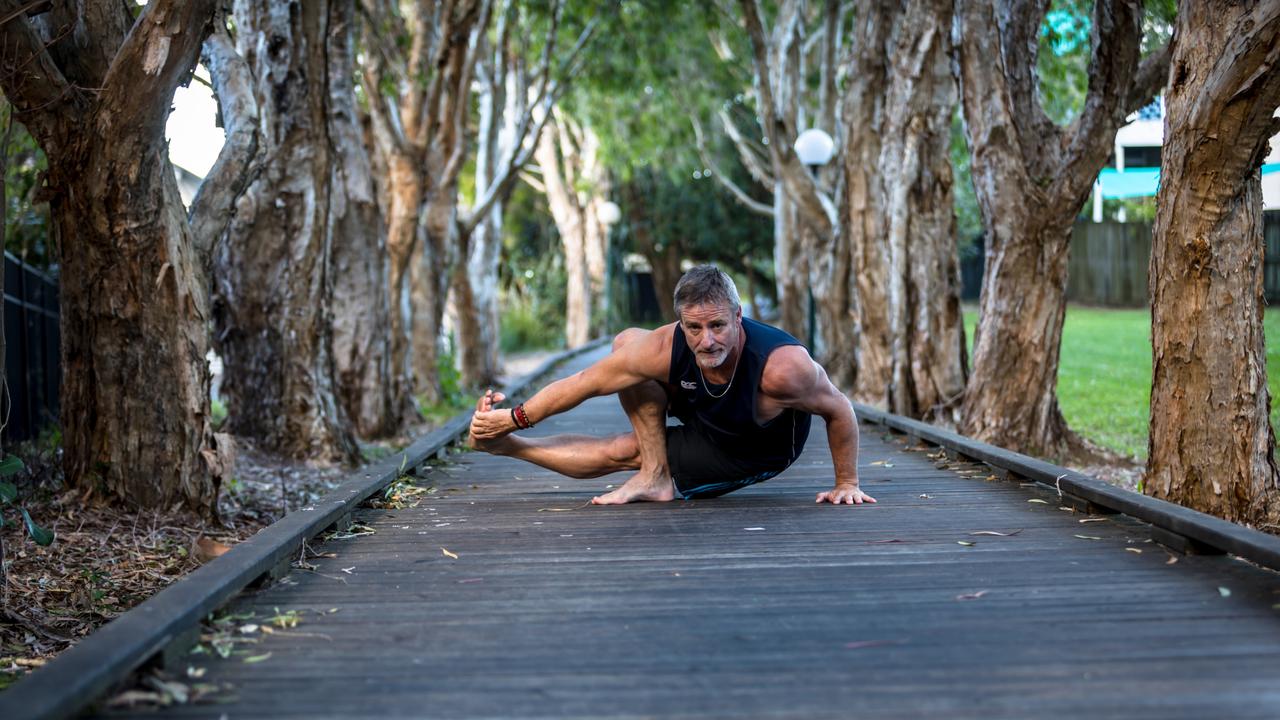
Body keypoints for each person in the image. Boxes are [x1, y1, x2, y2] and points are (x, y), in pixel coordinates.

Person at [468, 264, 876, 506]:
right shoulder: (669, 345)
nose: (707, 340)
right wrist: (515, 417)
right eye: (694, 328)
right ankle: (654, 472)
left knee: (620, 451)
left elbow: (839, 410)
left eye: (717, 326)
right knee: (628, 345)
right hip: (704, 410)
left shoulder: (782, 368)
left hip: (748, 449)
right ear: (681, 321)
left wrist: (847, 483)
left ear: (738, 316)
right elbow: (586, 381)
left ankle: (510, 450)